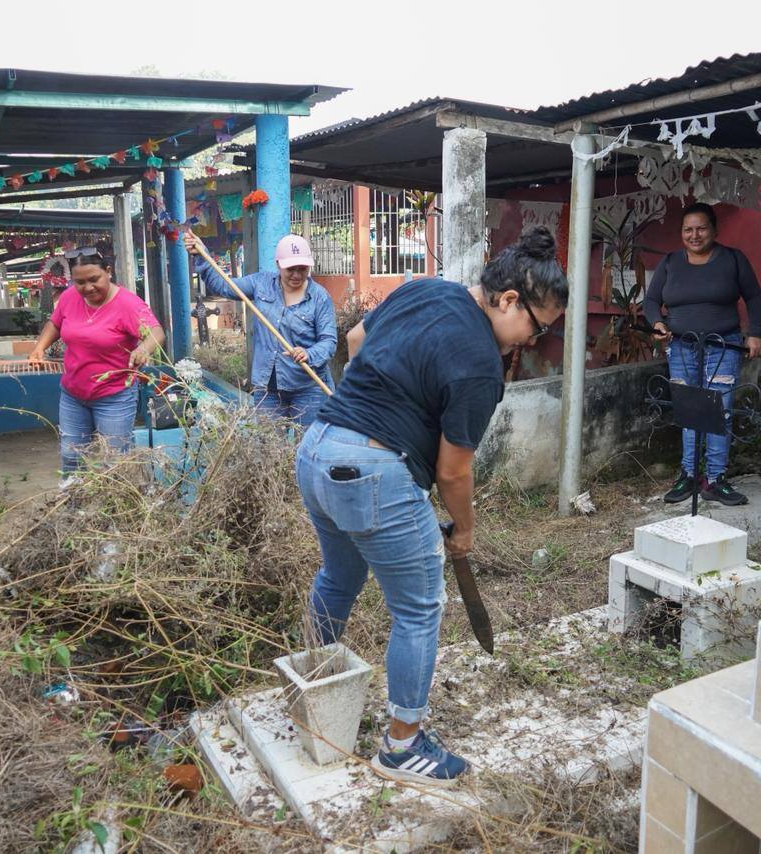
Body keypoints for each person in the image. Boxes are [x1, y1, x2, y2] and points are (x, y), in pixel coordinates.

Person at [295, 227, 568, 786]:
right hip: (373, 471)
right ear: (509, 300)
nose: (532, 341)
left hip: (318, 448)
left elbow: (353, 345)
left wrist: (369, 404)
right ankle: (402, 746)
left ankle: (310, 690)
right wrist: (463, 530)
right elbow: (452, 470)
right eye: (537, 327)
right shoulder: (479, 364)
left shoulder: (425, 288)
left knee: (338, 578)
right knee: (419, 609)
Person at [644, 202, 761, 507]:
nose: (694, 235)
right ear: (681, 233)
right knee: (689, 409)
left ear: (714, 229)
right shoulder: (671, 262)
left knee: (719, 409)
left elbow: (754, 297)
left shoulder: (732, 260)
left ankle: (715, 479)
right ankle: (688, 475)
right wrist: (657, 324)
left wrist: (755, 333)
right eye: (688, 229)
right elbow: (651, 300)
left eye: (701, 228)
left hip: (723, 345)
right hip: (682, 348)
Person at [29, 248, 164, 485]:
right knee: (72, 457)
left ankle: (116, 511)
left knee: (114, 461)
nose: (87, 287)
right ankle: (72, 507)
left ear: (108, 272)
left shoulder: (128, 304)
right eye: (79, 282)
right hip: (73, 394)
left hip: (114, 396)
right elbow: (56, 323)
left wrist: (143, 349)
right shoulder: (70, 297)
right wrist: (40, 346)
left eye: (94, 279)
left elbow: (156, 331)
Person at [183, 232, 336, 425]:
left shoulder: (320, 297)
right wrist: (201, 255)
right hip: (268, 390)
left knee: (308, 447)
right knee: (267, 448)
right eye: (290, 269)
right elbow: (223, 286)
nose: (296, 275)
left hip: (308, 388)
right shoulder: (260, 284)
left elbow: (329, 341)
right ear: (278, 264)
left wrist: (309, 354)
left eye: (302, 268)